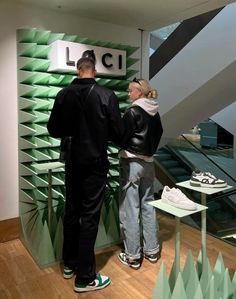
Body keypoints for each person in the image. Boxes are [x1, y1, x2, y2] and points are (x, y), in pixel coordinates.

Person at [47, 54, 125, 292]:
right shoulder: (106, 95)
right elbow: (118, 133)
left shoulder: (63, 95)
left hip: (72, 163)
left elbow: (53, 129)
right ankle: (85, 278)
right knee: (89, 217)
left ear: (78, 70)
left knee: (72, 211)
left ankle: (69, 264)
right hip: (95, 164)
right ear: (94, 71)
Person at [118, 78, 163, 269]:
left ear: (139, 92)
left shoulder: (133, 111)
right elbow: (159, 133)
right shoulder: (155, 112)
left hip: (132, 163)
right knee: (148, 206)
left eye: (130, 91)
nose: (128, 95)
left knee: (130, 209)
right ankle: (152, 251)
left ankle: (133, 256)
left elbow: (121, 135)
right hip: (149, 164)